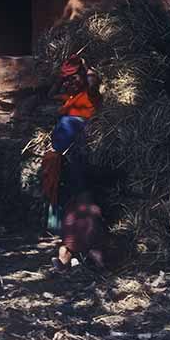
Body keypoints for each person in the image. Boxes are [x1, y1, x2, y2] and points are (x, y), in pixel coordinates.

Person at [42, 55, 102, 231]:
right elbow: (50, 94)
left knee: (79, 189)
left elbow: (93, 83)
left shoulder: (90, 96)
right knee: (64, 190)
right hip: (64, 151)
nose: (70, 83)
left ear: (83, 76)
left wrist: (86, 67)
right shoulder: (70, 97)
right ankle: (61, 229)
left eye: (74, 78)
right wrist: (62, 79)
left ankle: (80, 232)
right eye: (67, 80)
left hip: (78, 148)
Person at [53, 191, 106, 272]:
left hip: (71, 243)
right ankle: (101, 266)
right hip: (90, 241)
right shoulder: (94, 208)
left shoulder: (69, 209)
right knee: (94, 250)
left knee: (66, 248)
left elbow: (64, 227)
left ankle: (63, 264)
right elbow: (101, 221)